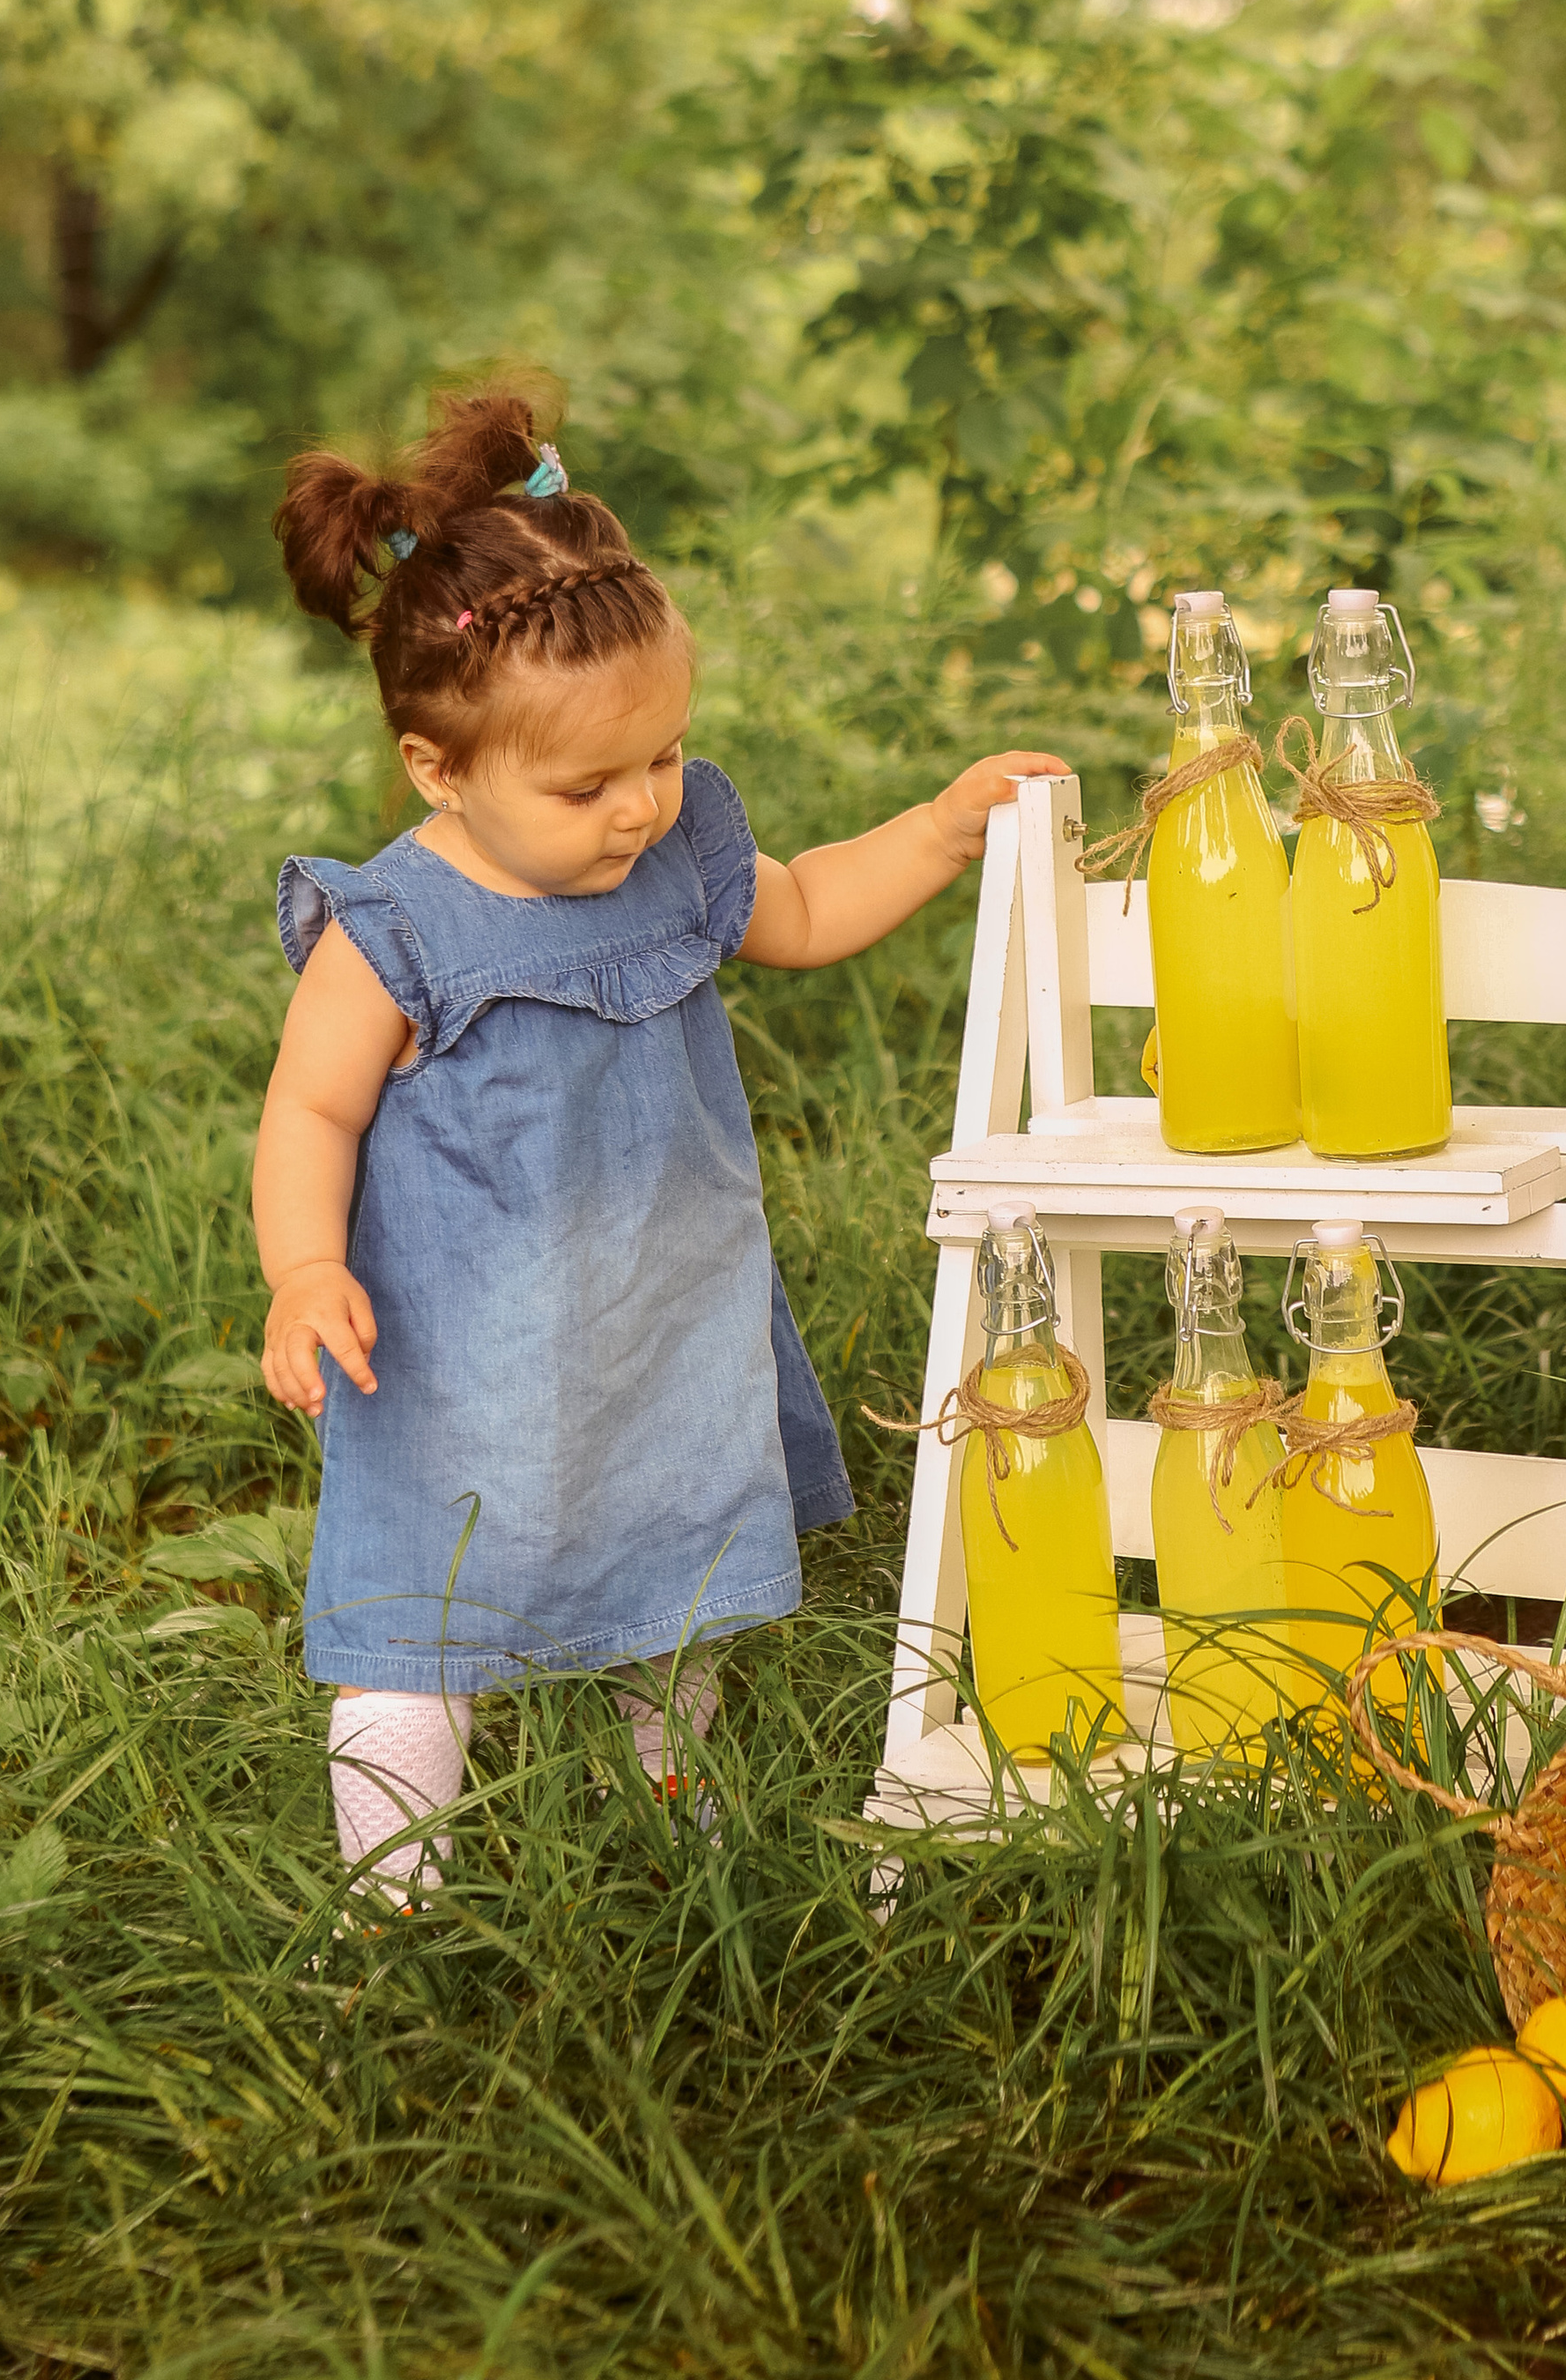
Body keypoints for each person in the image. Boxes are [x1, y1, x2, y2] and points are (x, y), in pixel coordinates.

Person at [255, 383, 1064, 1905]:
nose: (638, 809)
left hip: (664, 1320)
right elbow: (312, 1109)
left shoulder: (670, 855)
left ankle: (673, 1815)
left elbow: (809, 907)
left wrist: (944, 827)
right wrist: (305, 1267)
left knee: (672, 1583)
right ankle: (389, 1897)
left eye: (665, 758)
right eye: (587, 786)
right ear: (440, 768)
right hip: (458, 1355)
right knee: (421, 1621)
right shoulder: (392, 931)